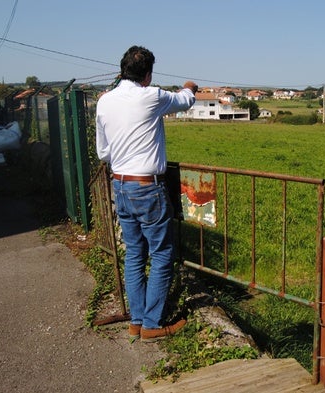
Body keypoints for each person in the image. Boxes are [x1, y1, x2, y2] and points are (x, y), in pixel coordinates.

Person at [96, 45, 198, 342]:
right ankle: (151, 325)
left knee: (135, 254)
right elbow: (185, 100)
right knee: (162, 253)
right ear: (149, 75)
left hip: (120, 184)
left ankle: (137, 320)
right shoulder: (151, 96)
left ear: (122, 70)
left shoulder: (105, 102)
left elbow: (103, 152)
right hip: (146, 187)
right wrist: (190, 86)